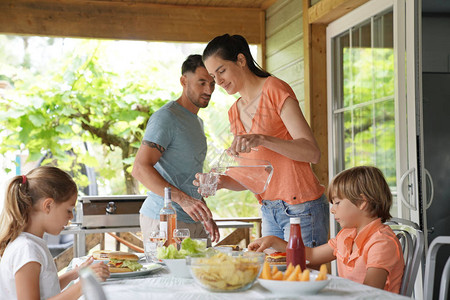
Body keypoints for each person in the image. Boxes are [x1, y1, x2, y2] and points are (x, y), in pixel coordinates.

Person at [201, 34, 328, 247]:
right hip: (269, 210)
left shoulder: (274, 89)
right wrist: (222, 182)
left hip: (302, 209)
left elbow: (312, 152)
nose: (218, 81)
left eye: (221, 70)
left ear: (241, 60)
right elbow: (256, 176)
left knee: (300, 279)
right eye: (214, 76)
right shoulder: (234, 112)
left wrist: (262, 138)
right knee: (275, 279)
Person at [248, 166, 405, 293]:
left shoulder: (381, 242)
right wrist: (274, 241)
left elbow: (369, 291)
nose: (332, 210)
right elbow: (312, 255)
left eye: (337, 203)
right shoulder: (346, 236)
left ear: (362, 202)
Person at [132, 54, 220, 245]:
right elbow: (139, 168)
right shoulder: (166, 117)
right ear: (183, 81)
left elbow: (188, 177)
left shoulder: (197, 122)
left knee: (204, 274)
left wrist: (203, 213)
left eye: (212, 84)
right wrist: (183, 200)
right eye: (202, 82)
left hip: (193, 220)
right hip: (164, 218)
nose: (209, 90)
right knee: (168, 276)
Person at [0, 166, 110, 299]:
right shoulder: (26, 249)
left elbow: (47, 288)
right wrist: (83, 284)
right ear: (48, 205)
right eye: (69, 210)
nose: (71, 217)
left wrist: (76, 273)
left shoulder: (30, 244)